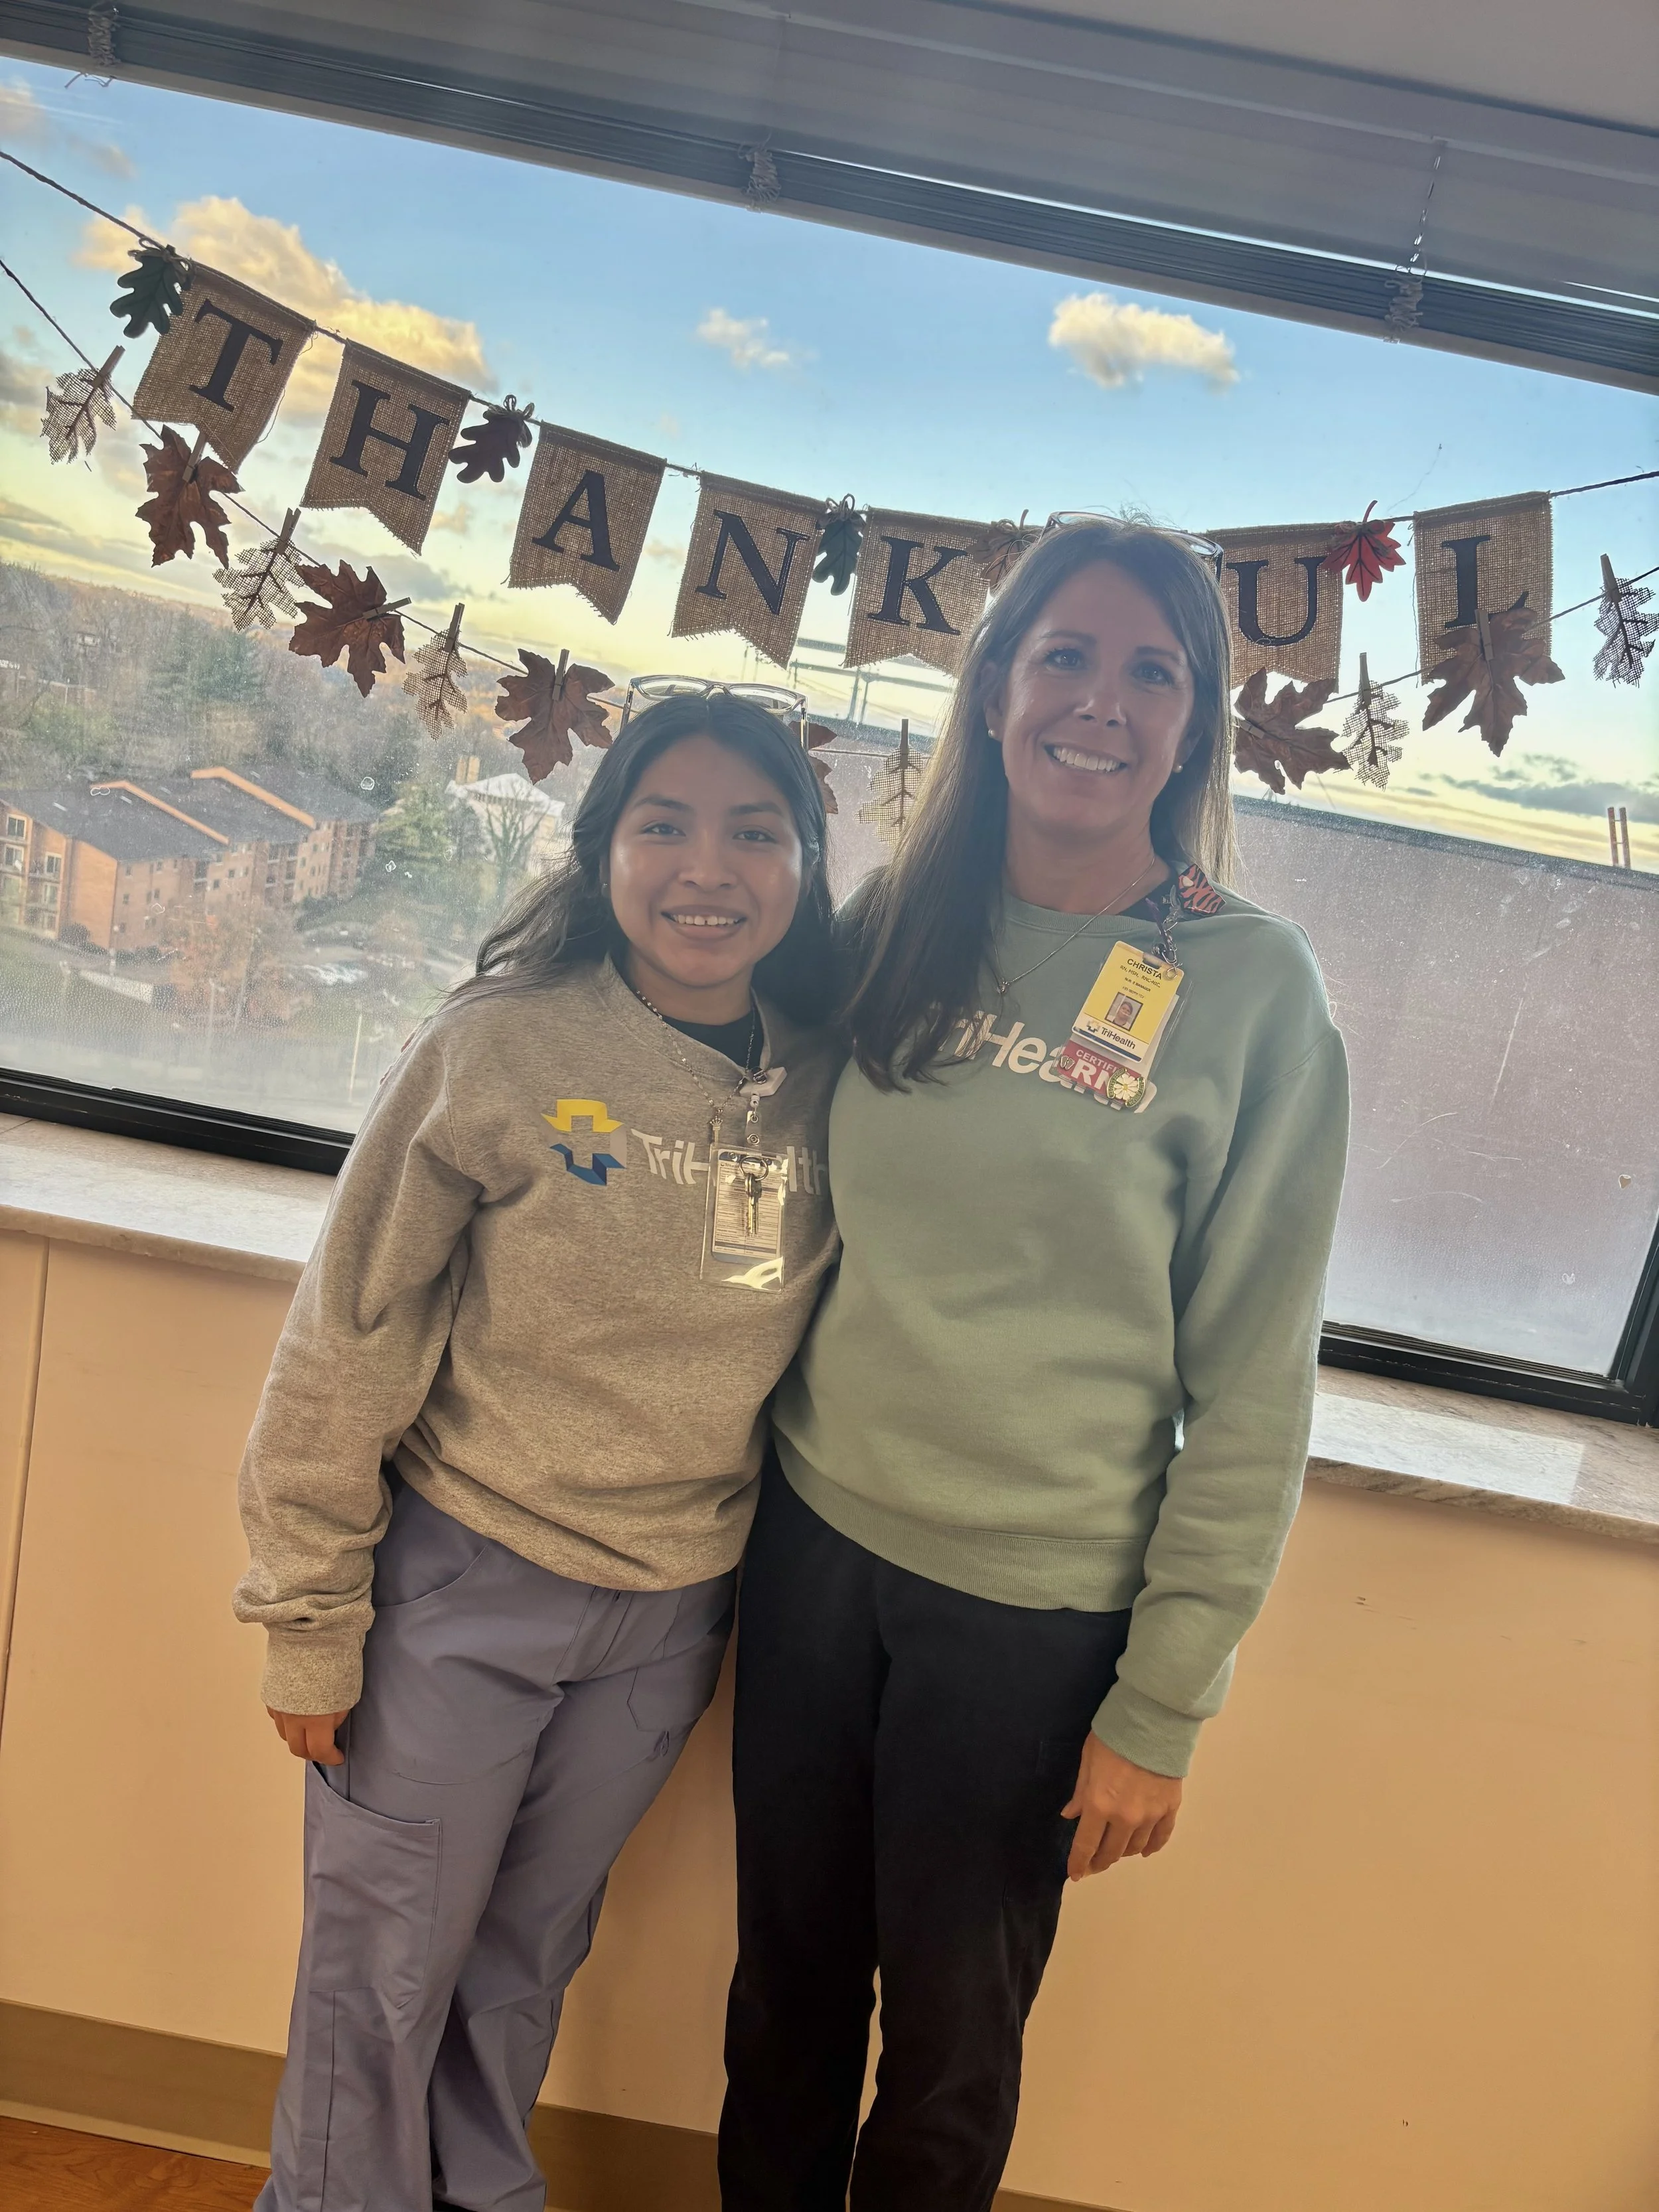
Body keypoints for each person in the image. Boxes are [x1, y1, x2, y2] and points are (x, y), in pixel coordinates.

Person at [719, 519, 1350, 2212]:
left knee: (944, 2054)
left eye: (1153, 670)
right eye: (1063, 654)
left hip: (1032, 1612)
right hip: (809, 1545)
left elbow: (1254, 1384)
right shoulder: (892, 921)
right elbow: (729, 1129)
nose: (1101, 700)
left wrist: (1163, 1702)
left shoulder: (1250, 991)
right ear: (994, 689)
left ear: (1196, 723)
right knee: (779, 2004)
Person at [234, 691, 841, 2212]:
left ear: (807, 861)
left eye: (755, 831)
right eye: (663, 825)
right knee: (377, 1975)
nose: (709, 868)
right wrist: (309, 1611)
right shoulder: (500, 1047)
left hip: (665, 1617)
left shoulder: (832, 1073)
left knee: (518, 1970)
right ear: (600, 849)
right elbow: (346, 1329)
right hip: (462, 1586)